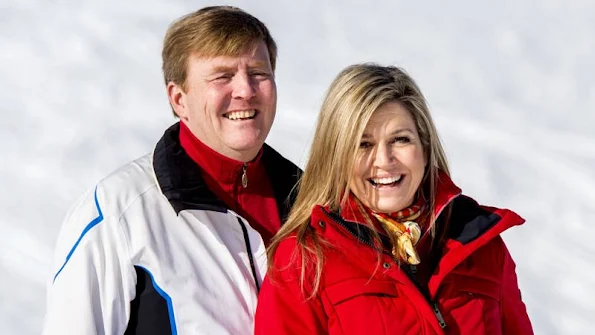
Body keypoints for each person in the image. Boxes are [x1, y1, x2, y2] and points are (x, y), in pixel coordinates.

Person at [42, 6, 301, 335]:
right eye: (222, 76)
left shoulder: (314, 205)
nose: (245, 91)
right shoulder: (118, 214)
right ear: (179, 98)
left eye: (258, 73)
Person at [254, 63, 533, 334]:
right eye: (363, 144)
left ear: (424, 146)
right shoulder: (304, 260)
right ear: (336, 157)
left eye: (400, 139)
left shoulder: (481, 245)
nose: (384, 161)